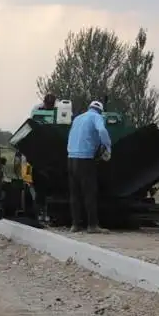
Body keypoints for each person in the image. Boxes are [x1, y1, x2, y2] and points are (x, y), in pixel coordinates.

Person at [67, 100, 111, 234]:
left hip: (71, 158)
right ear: (100, 111)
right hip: (85, 159)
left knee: (75, 193)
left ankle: (75, 225)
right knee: (89, 193)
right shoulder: (97, 117)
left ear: (89, 107)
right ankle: (92, 226)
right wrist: (107, 146)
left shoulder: (78, 118)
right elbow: (102, 130)